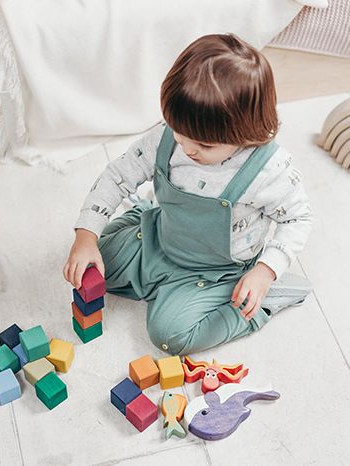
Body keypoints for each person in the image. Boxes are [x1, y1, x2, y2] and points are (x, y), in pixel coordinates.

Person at [63, 33, 313, 355]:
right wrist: (85, 237)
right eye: (179, 134)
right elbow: (117, 174)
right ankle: (143, 221)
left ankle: (265, 299)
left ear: (246, 131)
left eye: (204, 145)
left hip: (215, 271)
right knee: (95, 265)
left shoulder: (267, 170)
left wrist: (266, 270)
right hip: (161, 238)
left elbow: (299, 217)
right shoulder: (171, 136)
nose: (187, 149)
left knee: (170, 334)